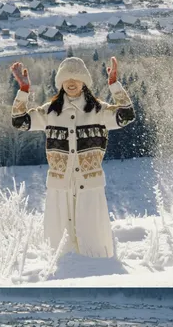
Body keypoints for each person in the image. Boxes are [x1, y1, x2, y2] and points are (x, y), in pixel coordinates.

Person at [10, 56, 135, 259]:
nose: (71, 83)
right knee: (60, 248)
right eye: (66, 78)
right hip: (60, 185)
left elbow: (127, 116)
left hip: (90, 185)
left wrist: (114, 85)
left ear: (84, 81)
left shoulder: (99, 111)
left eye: (76, 78)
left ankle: (100, 275)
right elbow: (19, 122)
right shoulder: (49, 112)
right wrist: (23, 90)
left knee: (94, 246)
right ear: (60, 82)